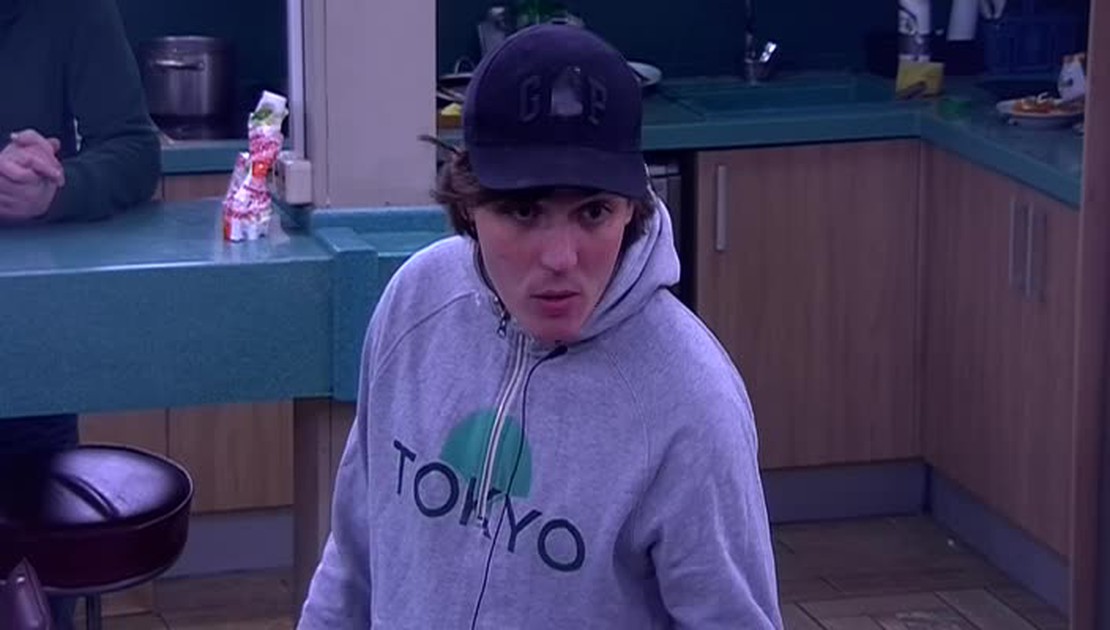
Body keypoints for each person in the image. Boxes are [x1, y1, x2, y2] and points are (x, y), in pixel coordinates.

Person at [299, 23, 783, 629]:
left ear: (631, 208)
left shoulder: (689, 400)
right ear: (469, 204)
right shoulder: (415, 303)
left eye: (593, 212)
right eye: (523, 211)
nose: (560, 257)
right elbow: (354, 555)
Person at [0, 0, 161, 626]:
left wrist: (56, 188)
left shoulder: (74, 10)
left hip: (30, 366)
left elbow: (134, 151)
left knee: (35, 597)